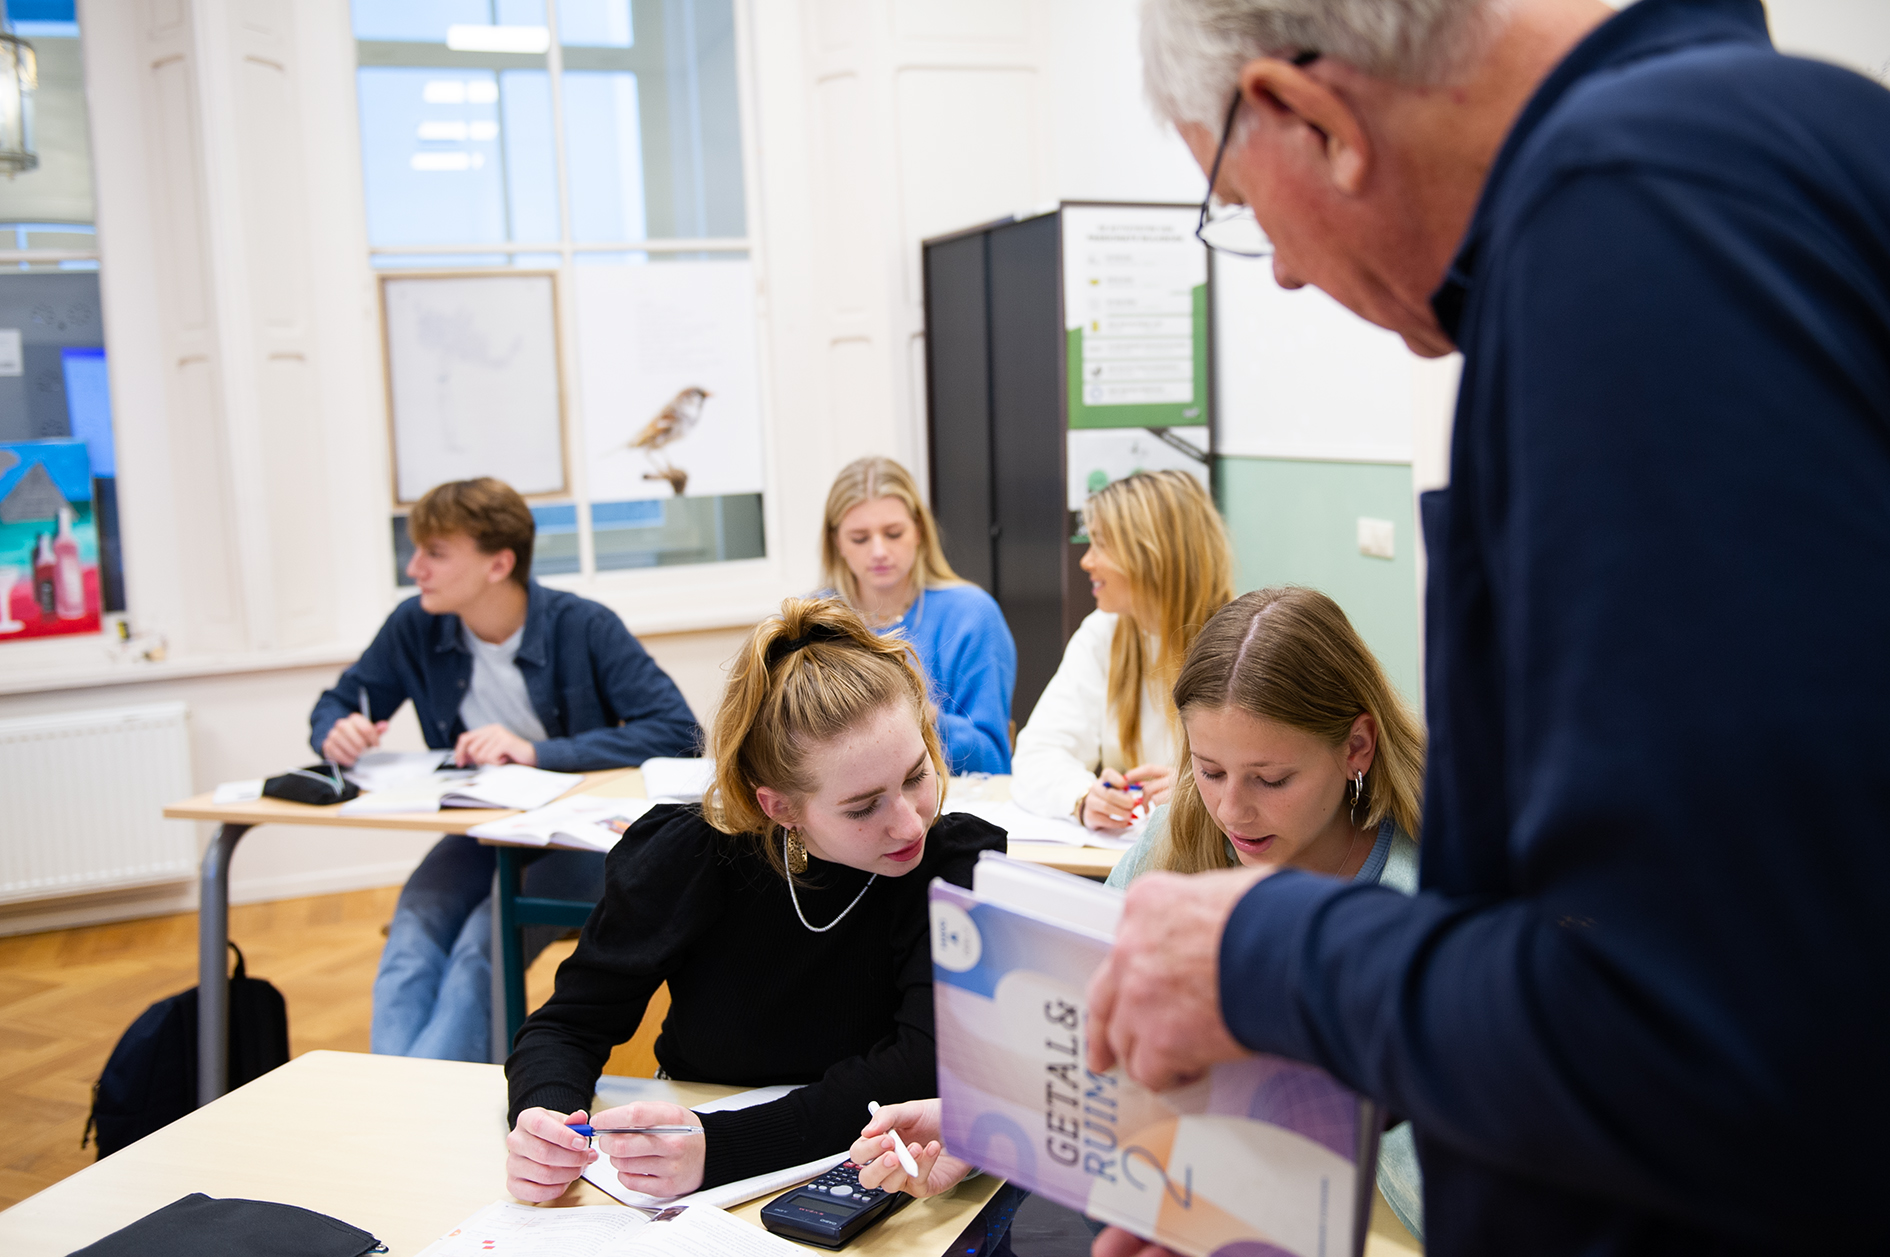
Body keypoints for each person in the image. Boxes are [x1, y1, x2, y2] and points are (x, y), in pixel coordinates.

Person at [1087, 0, 1890, 1253]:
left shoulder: (1632, 221)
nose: (1288, 272)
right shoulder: (1761, 156)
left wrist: (1269, 957)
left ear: (1307, 117)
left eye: (1243, 213)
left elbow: (1714, 1023)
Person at [501, 597, 1007, 1201]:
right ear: (779, 806)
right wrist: (547, 1120)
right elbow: (568, 1025)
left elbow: (919, 1065)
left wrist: (725, 1147)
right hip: (694, 1170)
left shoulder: (956, 867)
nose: (908, 825)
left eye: (916, 775)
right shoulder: (687, 856)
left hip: (885, 1175)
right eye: (863, 805)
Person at [310, 477, 699, 1063]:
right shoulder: (413, 626)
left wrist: (537, 751)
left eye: (435, 554)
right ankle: (388, 1105)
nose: (415, 568)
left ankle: (431, 1114)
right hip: (483, 832)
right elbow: (338, 702)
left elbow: (678, 731)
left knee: (480, 948)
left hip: (580, 840)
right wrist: (334, 730)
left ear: (499, 563)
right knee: (412, 936)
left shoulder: (584, 626)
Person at [1104, 587, 1426, 1239]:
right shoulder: (1171, 842)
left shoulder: (1428, 893)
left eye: (1271, 778)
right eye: (1210, 768)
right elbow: (1078, 1016)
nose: (1231, 810)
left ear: (1356, 746)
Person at [1011, 470, 1233, 832]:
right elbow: (1038, 754)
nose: (1087, 561)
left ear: (1151, 554)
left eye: (1101, 544)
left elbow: (1275, 776)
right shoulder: (1103, 632)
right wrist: (1083, 797)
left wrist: (1199, 790)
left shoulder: (1242, 641)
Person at [822, 455, 1017, 775]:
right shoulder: (816, 619)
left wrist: (922, 716)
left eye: (894, 533)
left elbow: (993, 763)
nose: (879, 552)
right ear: (837, 542)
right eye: (859, 538)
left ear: (919, 531)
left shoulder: (973, 615)